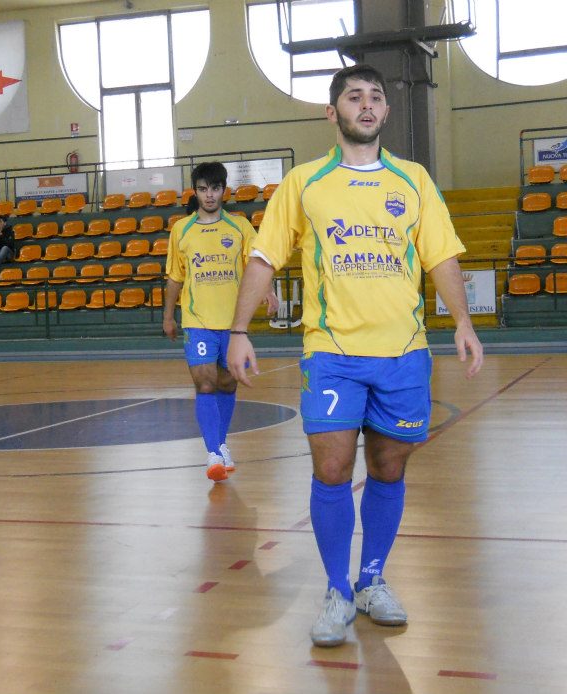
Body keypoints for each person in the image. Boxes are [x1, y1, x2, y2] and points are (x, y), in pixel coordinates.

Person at [226, 64, 484, 647]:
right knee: (333, 470)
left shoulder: (413, 180)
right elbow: (265, 258)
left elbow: (440, 257)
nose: (365, 105)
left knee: (389, 468)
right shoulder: (305, 183)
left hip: (403, 355)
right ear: (332, 112)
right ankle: (337, 592)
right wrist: (239, 330)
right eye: (353, 97)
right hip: (332, 353)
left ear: (386, 112)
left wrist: (462, 322)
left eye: (375, 96)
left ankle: (371, 581)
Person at [163, 161, 278, 483]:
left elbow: (256, 265)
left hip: (232, 325)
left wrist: (267, 290)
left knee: (227, 384)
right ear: (195, 191)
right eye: (202, 189)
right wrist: (168, 315)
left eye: (214, 189)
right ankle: (213, 452)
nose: (209, 195)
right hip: (197, 321)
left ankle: (221, 444)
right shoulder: (181, 230)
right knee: (205, 382)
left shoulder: (240, 227)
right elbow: (174, 277)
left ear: (223, 190)